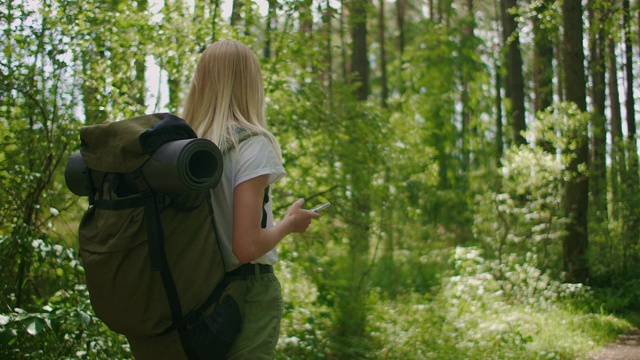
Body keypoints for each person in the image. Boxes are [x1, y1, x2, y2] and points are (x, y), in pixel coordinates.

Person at [181, 40, 319, 359]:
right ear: (250, 84)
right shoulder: (252, 145)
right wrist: (288, 225)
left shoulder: (185, 150)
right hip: (247, 293)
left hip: (193, 292)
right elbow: (246, 247)